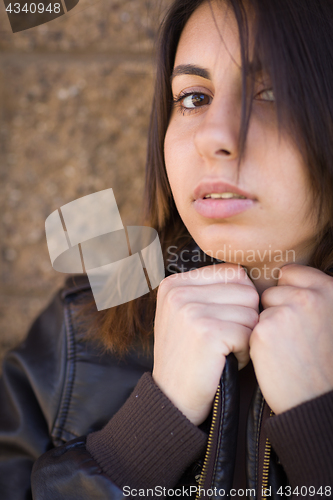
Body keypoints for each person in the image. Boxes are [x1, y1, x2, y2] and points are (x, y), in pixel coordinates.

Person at [1, 0, 333, 498]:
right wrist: (146, 434)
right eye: (194, 98)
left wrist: (318, 432)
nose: (215, 136)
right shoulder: (82, 325)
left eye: (273, 92)